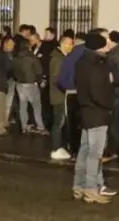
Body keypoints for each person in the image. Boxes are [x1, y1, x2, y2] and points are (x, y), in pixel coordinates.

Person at [72, 32, 116, 203]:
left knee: (84, 149)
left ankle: (78, 185)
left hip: (85, 110)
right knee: (95, 153)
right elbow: (98, 92)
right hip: (98, 112)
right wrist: (109, 105)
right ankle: (91, 188)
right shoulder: (97, 65)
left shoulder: (81, 61)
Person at [49, 32, 75, 160]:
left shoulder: (62, 57)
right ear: (63, 44)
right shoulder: (58, 59)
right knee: (58, 122)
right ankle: (56, 148)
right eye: (69, 44)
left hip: (60, 94)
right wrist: (67, 87)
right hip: (59, 96)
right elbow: (56, 79)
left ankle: (59, 146)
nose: (71, 46)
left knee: (60, 122)